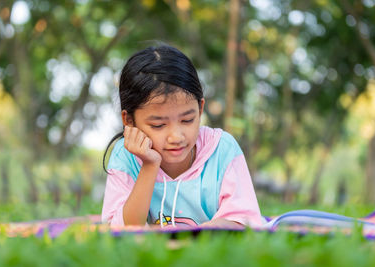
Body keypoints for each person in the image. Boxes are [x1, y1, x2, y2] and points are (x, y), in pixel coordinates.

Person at [101, 44, 261, 228]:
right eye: (158, 125)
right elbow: (121, 229)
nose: (176, 137)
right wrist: (150, 165)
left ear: (200, 109)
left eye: (187, 120)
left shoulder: (222, 149)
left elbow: (244, 222)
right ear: (129, 120)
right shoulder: (125, 156)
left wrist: (193, 238)